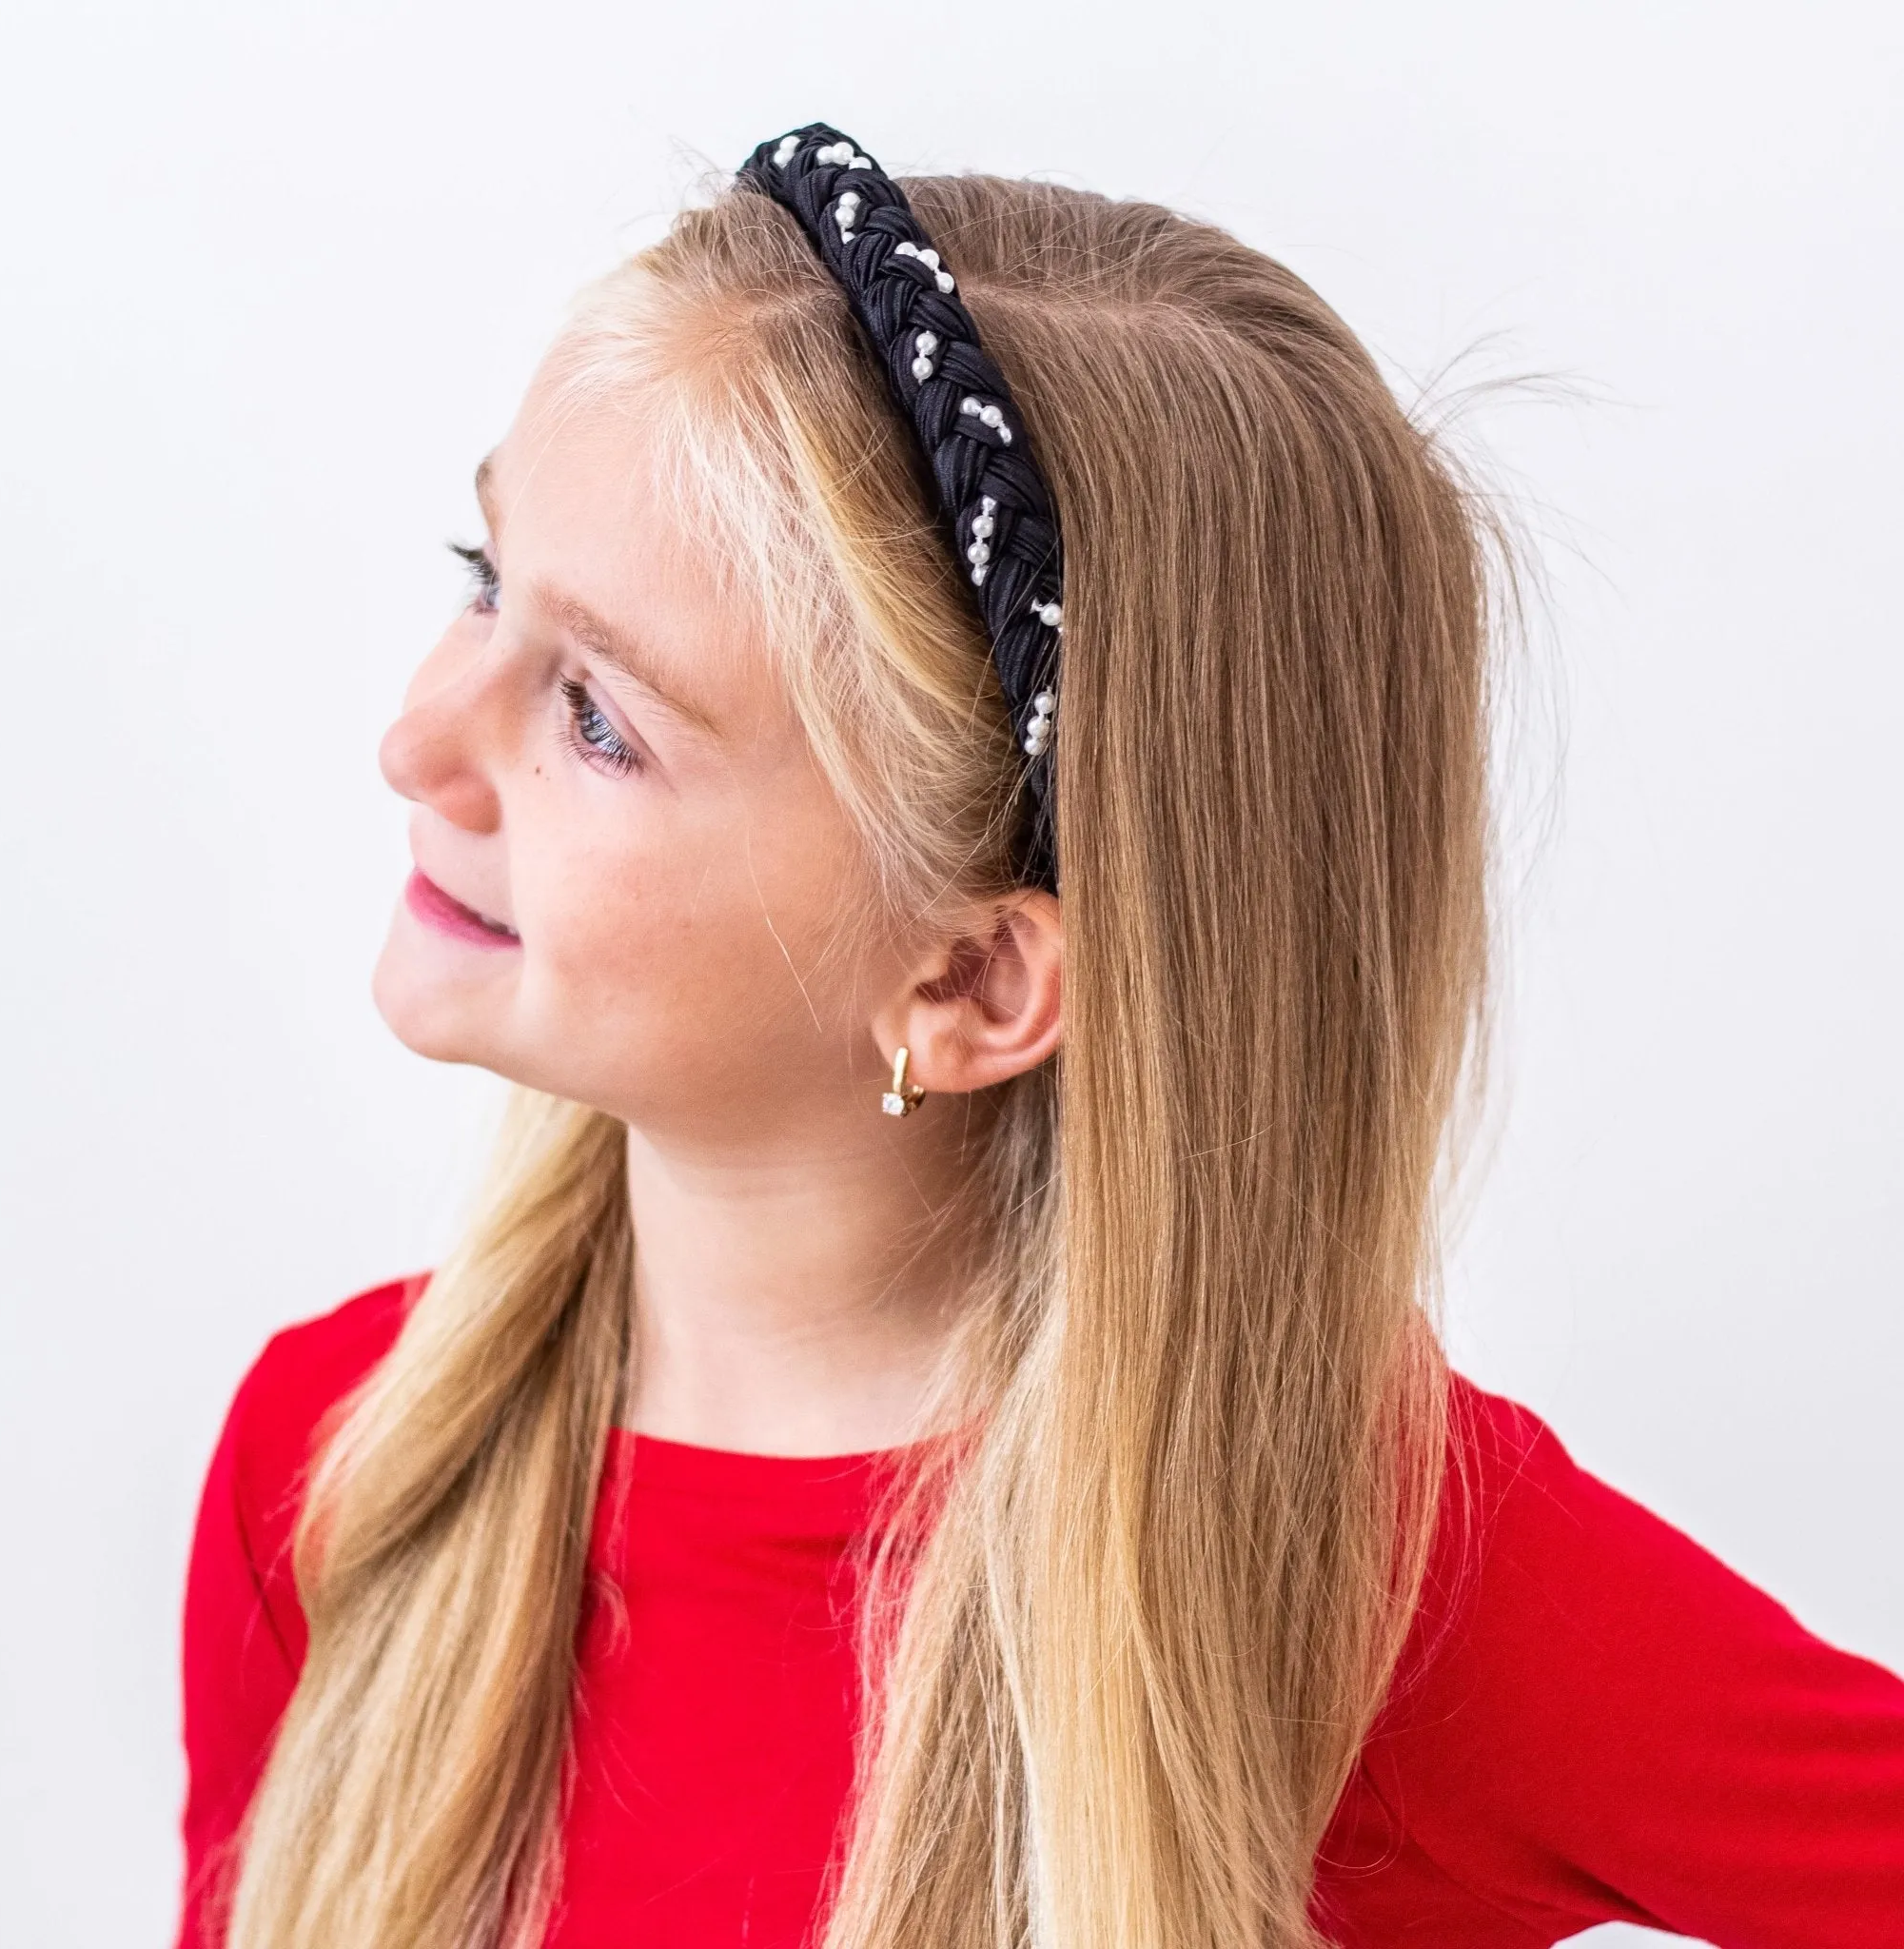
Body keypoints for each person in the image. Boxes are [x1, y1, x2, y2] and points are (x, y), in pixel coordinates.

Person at [176, 126, 1904, 1949]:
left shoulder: (1371, 1582)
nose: (420, 742)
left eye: (599, 718)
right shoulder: (345, 1473)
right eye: (482, 571)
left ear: (973, 985)